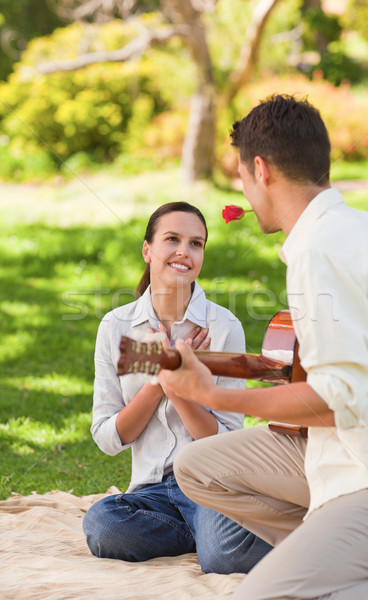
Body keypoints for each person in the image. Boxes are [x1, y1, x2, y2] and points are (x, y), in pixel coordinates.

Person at [159, 95, 368, 599]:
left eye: (243, 179)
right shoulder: (367, 232)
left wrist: (216, 395)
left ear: (261, 170)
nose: (244, 192)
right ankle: (336, 560)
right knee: (197, 465)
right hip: (351, 448)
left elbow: (339, 400)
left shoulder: (319, 251)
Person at [82, 201, 272, 574]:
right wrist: (160, 381)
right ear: (147, 250)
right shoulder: (116, 326)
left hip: (208, 484)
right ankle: (201, 536)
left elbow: (228, 440)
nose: (185, 251)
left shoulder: (222, 327)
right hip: (151, 493)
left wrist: (183, 389)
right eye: (172, 239)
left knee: (223, 559)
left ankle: (215, 537)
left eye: (196, 243)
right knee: (103, 524)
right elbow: (107, 438)